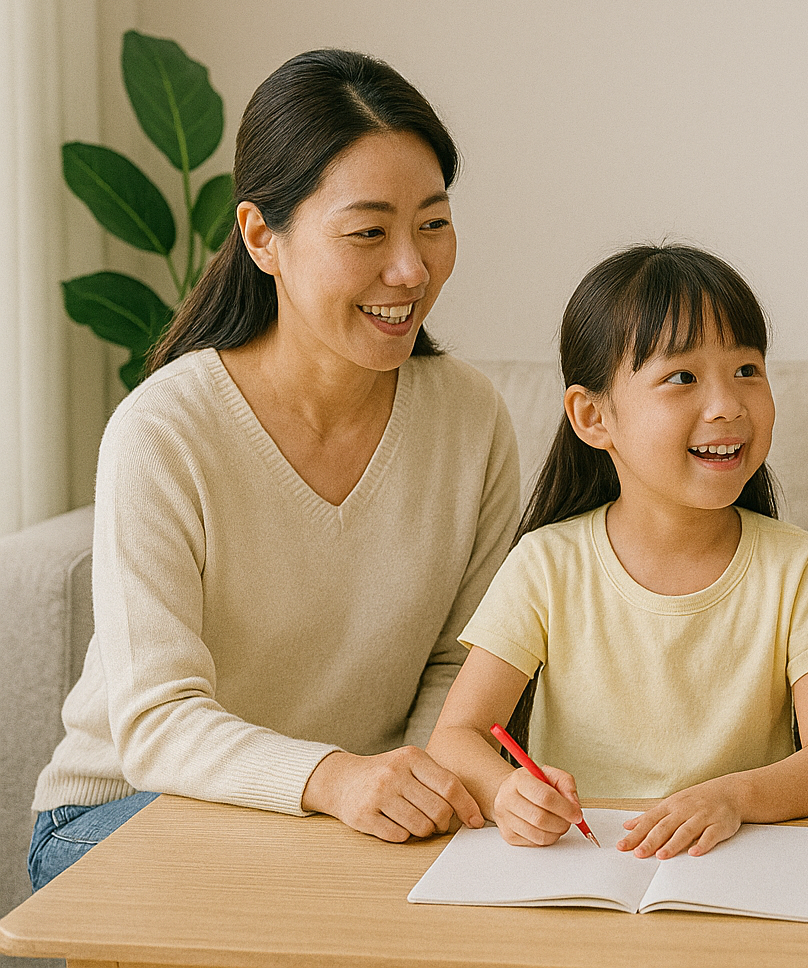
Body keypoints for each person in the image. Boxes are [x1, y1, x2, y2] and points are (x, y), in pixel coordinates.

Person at [27, 50, 519, 890]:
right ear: (262, 237)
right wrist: (333, 778)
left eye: (432, 223)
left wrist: (426, 789)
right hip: (125, 811)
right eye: (369, 232)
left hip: (348, 820)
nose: (411, 269)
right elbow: (158, 723)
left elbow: (459, 661)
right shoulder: (165, 430)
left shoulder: (472, 420)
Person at [427, 244, 808, 858]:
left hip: (741, 863)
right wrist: (506, 791)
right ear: (593, 417)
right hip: (587, 866)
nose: (727, 405)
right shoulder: (546, 564)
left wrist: (732, 799)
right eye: (682, 378)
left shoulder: (796, 566)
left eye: (747, 369)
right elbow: (456, 736)